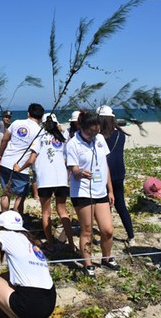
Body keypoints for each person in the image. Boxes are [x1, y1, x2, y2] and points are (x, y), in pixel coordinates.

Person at [0, 184, 56, 318]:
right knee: (4, 277)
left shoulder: (9, 236)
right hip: (50, 300)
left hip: (31, 303)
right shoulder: (29, 242)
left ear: (1, 227)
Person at [66, 111, 119, 276]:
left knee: (107, 229)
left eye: (96, 131)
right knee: (87, 230)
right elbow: (72, 170)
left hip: (100, 190)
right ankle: (88, 264)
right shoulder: (73, 144)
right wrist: (80, 172)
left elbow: (105, 166)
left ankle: (107, 258)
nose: (93, 135)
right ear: (82, 127)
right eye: (90, 132)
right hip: (82, 191)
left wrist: (110, 190)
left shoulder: (100, 139)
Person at [16, 113, 75, 253]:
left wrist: (19, 168)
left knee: (46, 213)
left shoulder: (39, 139)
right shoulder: (62, 139)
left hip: (45, 180)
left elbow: (31, 160)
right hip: (61, 179)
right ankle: (71, 243)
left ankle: (50, 243)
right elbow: (67, 159)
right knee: (63, 211)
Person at [98, 105, 135, 246]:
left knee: (103, 206)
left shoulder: (99, 136)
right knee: (121, 206)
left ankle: (106, 234)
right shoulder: (120, 134)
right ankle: (131, 236)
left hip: (104, 174)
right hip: (119, 173)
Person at [0, 103, 44, 214]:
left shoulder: (17, 122)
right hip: (22, 166)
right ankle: (16, 218)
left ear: (28, 113)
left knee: (6, 193)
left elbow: (5, 139)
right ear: (41, 117)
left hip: (6, 161)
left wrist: (0, 155)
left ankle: (4, 217)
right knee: (21, 196)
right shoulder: (39, 131)